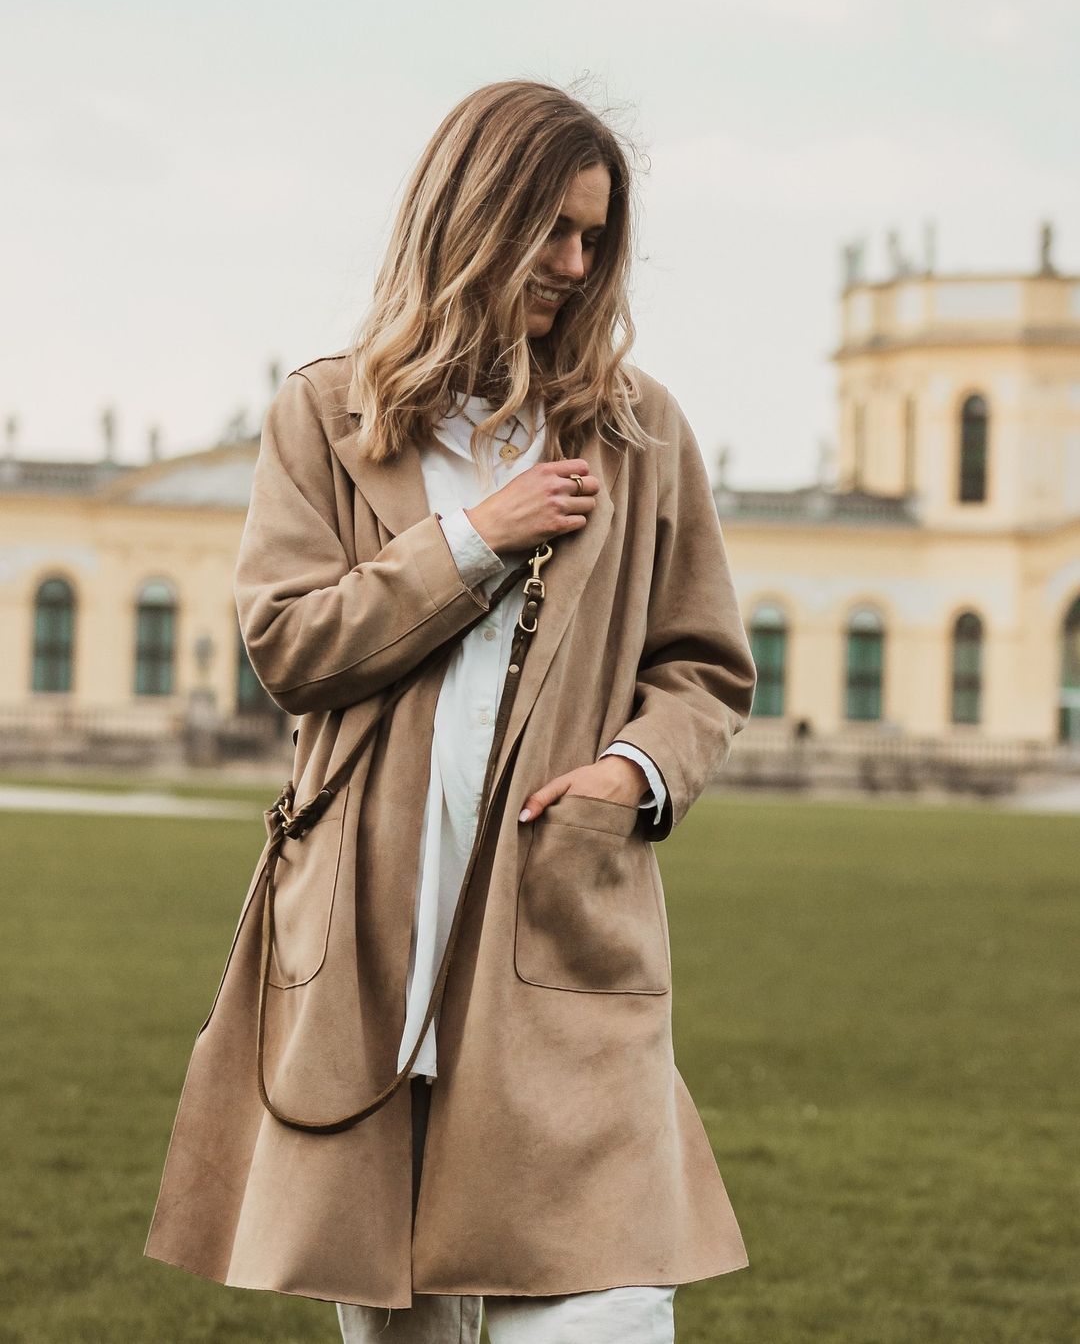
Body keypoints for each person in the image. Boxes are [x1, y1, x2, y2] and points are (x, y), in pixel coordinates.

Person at [145, 79, 758, 1344]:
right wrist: (476, 538)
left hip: (566, 948)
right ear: (473, 217)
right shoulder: (324, 420)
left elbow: (703, 665)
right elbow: (289, 646)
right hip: (370, 957)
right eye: (555, 232)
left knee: (612, 1314)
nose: (577, 267)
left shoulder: (643, 437)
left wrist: (635, 773)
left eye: (597, 239)